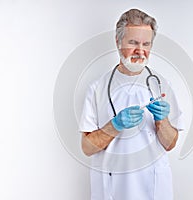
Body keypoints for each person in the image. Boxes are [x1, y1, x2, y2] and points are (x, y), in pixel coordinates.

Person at [79, 8, 184, 200]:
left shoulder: (162, 85)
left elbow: (170, 144)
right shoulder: (97, 88)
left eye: (146, 44)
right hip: (112, 186)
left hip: (152, 186)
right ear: (118, 42)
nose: (140, 51)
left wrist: (163, 121)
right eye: (133, 42)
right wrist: (115, 125)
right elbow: (87, 148)